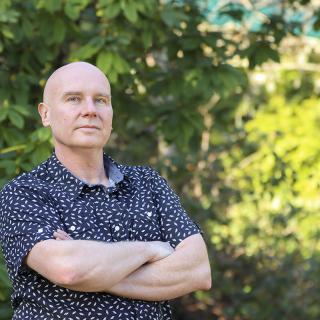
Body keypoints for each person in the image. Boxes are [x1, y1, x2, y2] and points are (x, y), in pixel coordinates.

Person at [0, 62, 211, 320]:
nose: (90, 110)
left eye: (100, 100)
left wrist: (95, 271)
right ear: (45, 114)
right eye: (74, 99)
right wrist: (151, 249)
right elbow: (68, 270)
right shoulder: (23, 193)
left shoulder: (148, 183)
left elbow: (198, 271)